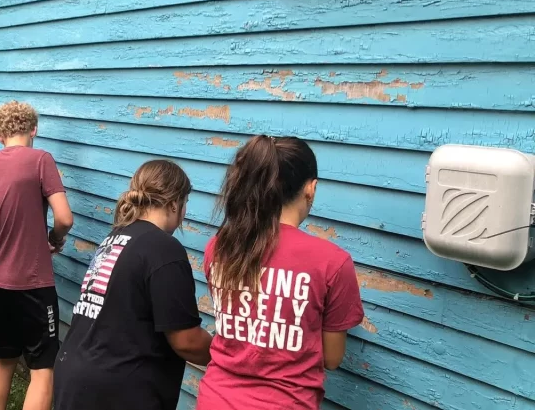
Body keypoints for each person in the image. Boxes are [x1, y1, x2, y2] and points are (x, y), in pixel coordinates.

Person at [196, 136, 364, 410]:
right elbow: (332, 358)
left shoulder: (219, 247)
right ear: (311, 188)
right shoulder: (332, 262)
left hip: (214, 400)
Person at [53, 160, 212, 410]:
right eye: (185, 204)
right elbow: (187, 341)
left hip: (74, 376)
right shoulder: (163, 249)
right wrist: (228, 353)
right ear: (174, 204)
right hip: (118, 391)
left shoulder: (115, 238)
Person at [0, 101, 73, 410]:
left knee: (4, 360)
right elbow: (65, 218)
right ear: (34, 129)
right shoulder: (40, 159)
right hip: (33, 284)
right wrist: (54, 239)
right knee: (42, 368)